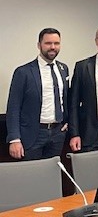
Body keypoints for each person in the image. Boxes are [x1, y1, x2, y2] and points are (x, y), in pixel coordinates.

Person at [6, 28, 69, 160]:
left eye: (56, 43)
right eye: (48, 43)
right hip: (33, 135)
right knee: (32, 177)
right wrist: (14, 139)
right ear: (39, 45)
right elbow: (13, 107)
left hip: (58, 134)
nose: (53, 47)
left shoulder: (63, 69)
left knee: (52, 175)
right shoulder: (23, 72)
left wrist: (67, 121)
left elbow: (66, 98)